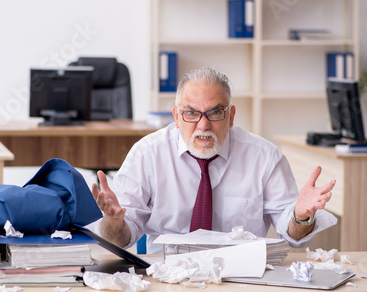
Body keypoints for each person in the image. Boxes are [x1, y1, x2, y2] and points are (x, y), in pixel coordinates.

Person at [88, 67, 337, 254]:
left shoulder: (265, 158)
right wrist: (112, 222)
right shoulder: (148, 154)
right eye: (191, 113)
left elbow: (293, 236)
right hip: (168, 276)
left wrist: (300, 217)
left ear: (231, 116)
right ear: (176, 116)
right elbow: (120, 239)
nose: (203, 125)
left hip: (241, 278)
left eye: (215, 112)